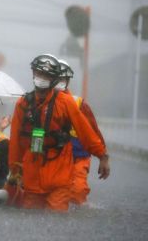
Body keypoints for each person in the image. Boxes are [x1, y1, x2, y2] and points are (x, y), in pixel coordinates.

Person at [6, 54, 110, 212]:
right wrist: (14, 169)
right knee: (30, 219)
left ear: (53, 79)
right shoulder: (23, 104)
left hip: (59, 172)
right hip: (32, 173)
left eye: (46, 75)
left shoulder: (66, 102)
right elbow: (15, 140)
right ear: (33, 74)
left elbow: (86, 131)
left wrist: (102, 156)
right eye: (39, 73)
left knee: (57, 217)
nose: (41, 78)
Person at [56, 59, 106, 205]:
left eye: (62, 78)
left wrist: (103, 157)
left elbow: (94, 132)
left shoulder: (78, 103)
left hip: (79, 157)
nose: (59, 81)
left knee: (77, 191)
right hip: (54, 158)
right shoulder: (42, 103)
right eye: (56, 78)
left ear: (67, 80)